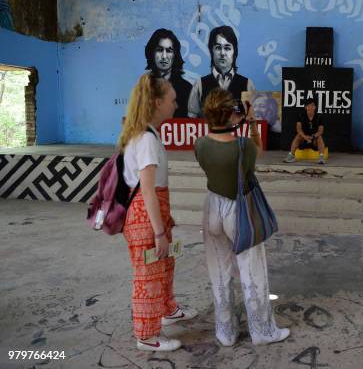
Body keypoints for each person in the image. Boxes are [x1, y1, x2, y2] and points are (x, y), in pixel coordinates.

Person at [194, 88, 290, 347]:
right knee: (253, 270)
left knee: (219, 272)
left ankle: (225, 332)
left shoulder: (200, 144)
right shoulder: (243, 146)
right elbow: (258, 153)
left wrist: (237, 122)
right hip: (239, 211)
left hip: (212, 207)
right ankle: (262, 330)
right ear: (230, 114)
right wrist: (252, 124)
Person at [118, 73, 197, 351]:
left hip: (153, 213)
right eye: (173, 100)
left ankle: (167, 310)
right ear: (157, 102)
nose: (177, 105)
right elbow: (148, 191)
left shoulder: (147, 134)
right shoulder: (147, 140)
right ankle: (146, 336)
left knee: (163, 266)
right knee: (148, 275)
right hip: (145, 216)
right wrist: (160, 232)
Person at [188, 26, 255, 118]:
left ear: (234, 52)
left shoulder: (247, 84)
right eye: (218, 47)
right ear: (212, 51)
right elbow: (191, 122)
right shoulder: (200, 85)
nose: (222, 53)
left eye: (227, 48)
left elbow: (253, 120)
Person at [145, 28, 192, 118]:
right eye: (159, 50)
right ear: (152, 53)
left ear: (175, 55)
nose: (164, 56)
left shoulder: (187, 89)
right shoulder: (143, 88)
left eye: (169, 51)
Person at [283, 98, 325, 164]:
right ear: (305, 107)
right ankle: (291, 155)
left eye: (312, 105)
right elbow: (299, 129)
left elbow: (320, 131)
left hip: (313, 139)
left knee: (319, 137)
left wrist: (313, 137)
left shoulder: (319, 117)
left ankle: (321, 157)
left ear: (315, 107)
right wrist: (305, 137)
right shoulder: (300, 116)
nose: (310, 107)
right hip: (304, 139)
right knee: (298, 136)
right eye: (308, 106)